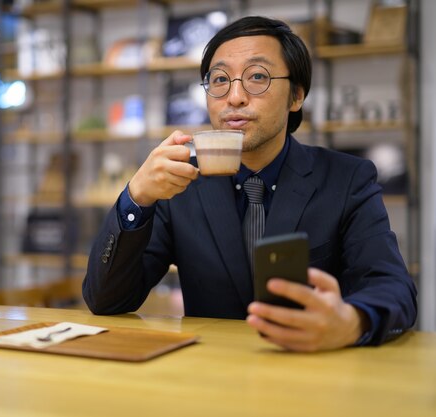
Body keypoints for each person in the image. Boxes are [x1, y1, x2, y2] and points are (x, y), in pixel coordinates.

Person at [82, 16, 417, 352]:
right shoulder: (180, 184)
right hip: (211, 378)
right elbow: (107, 300)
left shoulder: (347, 179)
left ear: (296, 96)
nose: (236, 97)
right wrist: (136, 197)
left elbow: (394, 288)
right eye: (220, 80)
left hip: (313, 374)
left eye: (258, 76)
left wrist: (351, 322)